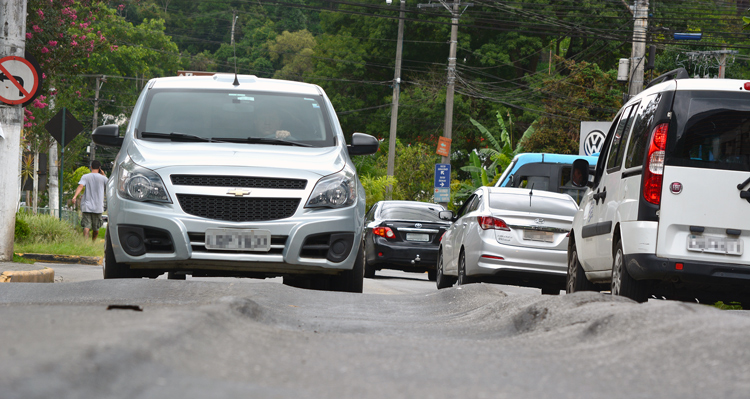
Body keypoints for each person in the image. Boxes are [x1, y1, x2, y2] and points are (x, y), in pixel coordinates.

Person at [72, 160, 108, 241]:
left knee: (86, 226)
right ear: (99, 168)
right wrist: (104, 174)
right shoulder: (103, 178)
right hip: (98, 207)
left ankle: (85, 243)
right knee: (96, 228)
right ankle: (93, 243)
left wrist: (74, 196)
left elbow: (81, 186)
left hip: (87, 205)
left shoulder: (85, 176)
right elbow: (109, 185)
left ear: (91, 167)